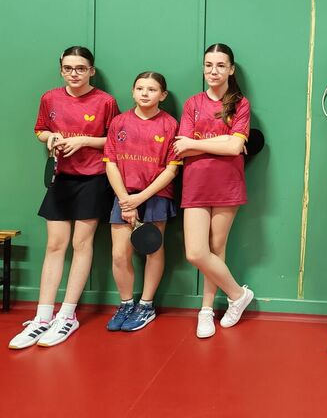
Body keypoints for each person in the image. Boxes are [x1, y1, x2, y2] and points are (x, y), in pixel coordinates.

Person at [9, 46, 119, 349]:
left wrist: (83, 141)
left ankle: (67, 316)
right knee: (55, 245)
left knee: (81, 244)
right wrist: (51, 137)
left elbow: (114, 140)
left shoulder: (106, 101)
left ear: (91, 71)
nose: (74, 73)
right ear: (61, 70)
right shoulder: (50, 98)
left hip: (93, 179)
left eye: (81, 68)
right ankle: (42, 317)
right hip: (61, 178)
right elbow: (40, 130)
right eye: (68, 68)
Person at [174, 43, 254, 339]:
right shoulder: (192, 103)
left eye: (221, 65)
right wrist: (222, 142)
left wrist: (196, 144)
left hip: (227, 184)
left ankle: (206, 310)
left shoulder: (240, 104)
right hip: (195, 184)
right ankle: (238, 294)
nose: (214, 71)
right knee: (196, 252)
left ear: (231, 69)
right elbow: (181, 148)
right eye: (209, 65)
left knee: (216, 249)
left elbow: (234, 147)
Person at [104, 72, 181, 332]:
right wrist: (126, 200)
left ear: (163, 95)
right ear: (133, 91)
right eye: (140, 88)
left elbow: (172, 169)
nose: (145, 93)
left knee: (153, 250)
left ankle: (146, 305)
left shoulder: (170, 124)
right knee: (119, 254)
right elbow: (111, 164)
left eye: (152, 89)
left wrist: (141, 197)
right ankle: (126, 304)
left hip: (156, 195)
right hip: (124, 195)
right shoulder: (118, 122)